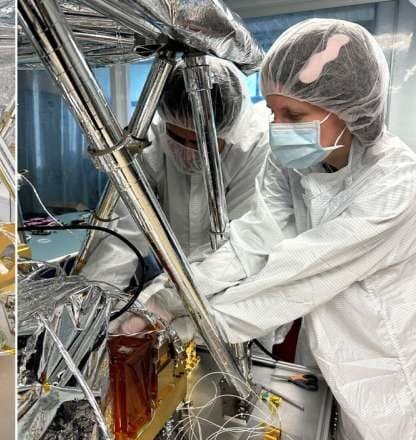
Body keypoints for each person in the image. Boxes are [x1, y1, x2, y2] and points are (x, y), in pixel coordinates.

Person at [138, 19, 416, 439]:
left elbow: (301, 272)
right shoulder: (292, 161)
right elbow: (254, 239)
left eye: (295, 114)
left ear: (348, 109)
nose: (279, 128)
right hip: (320, 341)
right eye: (273, 112)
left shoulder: (394, 186)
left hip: (382, 359)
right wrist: (166, 298)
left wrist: (188, 324)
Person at [81, 56, 270, 289]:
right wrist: (96, 294)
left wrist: (168, 296)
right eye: (177, 139)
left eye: (200, 144)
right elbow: (125, 232)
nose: (188, 155)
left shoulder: (252, 148)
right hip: (172, 274)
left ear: (228, 131)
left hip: (234, 278)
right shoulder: (148, 139)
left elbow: (237, 242)